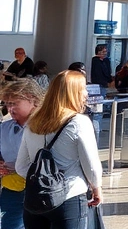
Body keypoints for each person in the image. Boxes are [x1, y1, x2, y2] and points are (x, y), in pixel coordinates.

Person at [15, 70, 103, 229]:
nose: (86, 94)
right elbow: (92, 167)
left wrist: (43, 181)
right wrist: (97, 188)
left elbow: (20, 166)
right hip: (70, 198)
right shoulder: (79, 122)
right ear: (73, 92)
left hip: (35, 202)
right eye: (83, 89)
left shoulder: (33, 123)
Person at [0, 79, 44, 229]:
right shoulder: (4, 128)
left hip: (40, 190)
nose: (10, 108)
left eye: (14, 103)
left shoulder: (45, 129)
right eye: (7, 103)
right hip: (11, 190)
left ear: (33, 100)